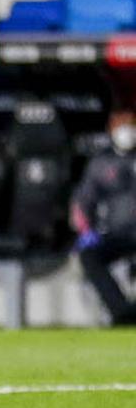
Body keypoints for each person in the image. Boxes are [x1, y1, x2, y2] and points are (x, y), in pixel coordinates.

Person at [71, 109, 136, 325]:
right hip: (116, 233)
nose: (127, 132)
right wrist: (86, 230)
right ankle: (122, 312)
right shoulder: (101, 163)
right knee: (89, 255)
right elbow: (83, 201)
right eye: (122, 127)